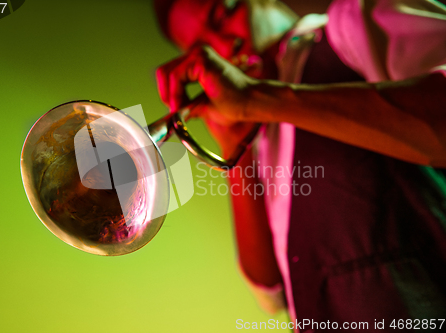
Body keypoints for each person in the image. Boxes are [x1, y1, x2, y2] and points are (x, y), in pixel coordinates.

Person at [153, 0, 446, 330]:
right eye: (201, 46)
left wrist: (256, 98)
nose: (223, 46)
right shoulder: (256, 110)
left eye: (224, 15)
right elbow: (271, 292)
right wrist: (235, 147)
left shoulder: (354, 20)